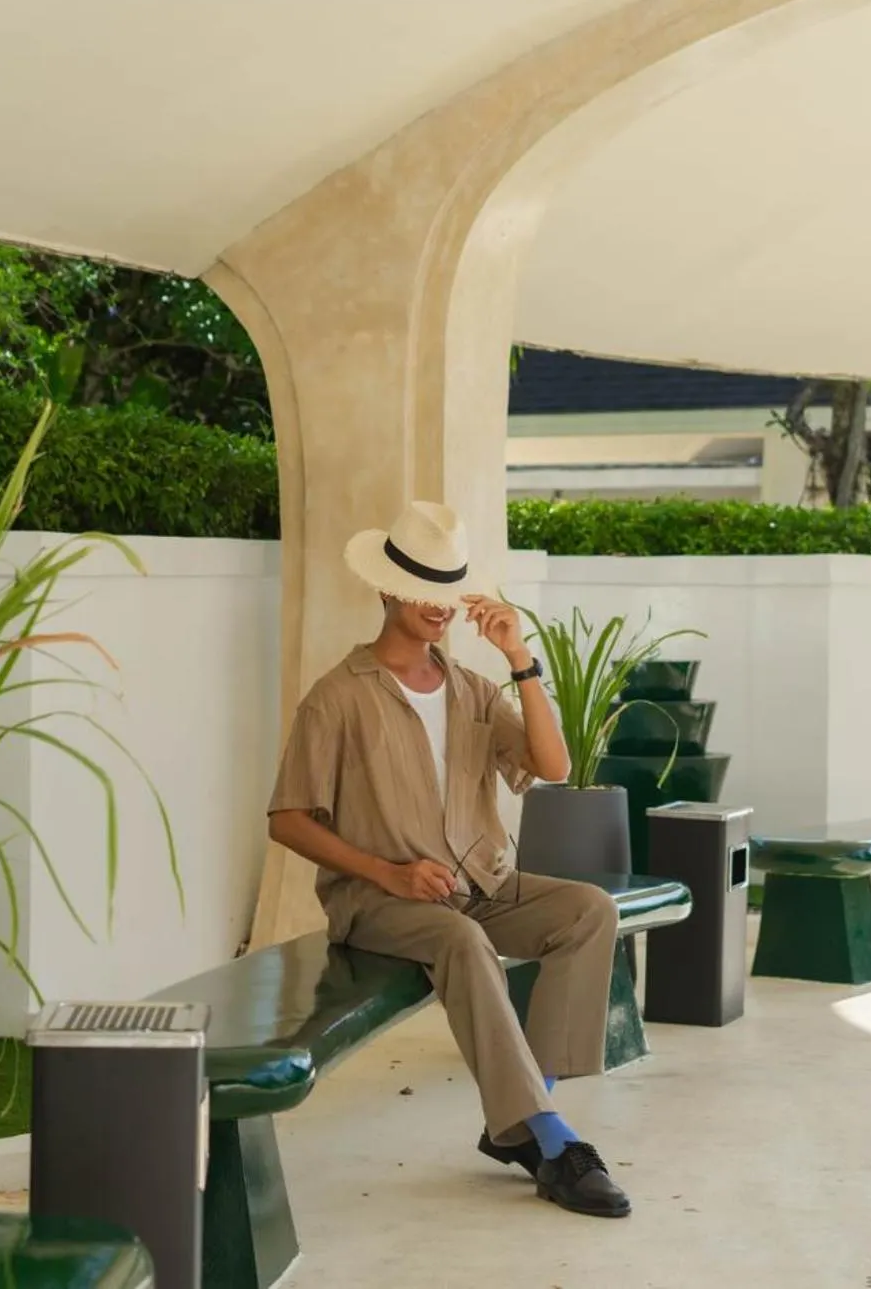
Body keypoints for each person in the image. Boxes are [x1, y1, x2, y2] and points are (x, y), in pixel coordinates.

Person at [266, 501, 632, 1218]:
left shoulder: (472, 689)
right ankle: (551, 1144)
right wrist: (387, 872)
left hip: (478, 882)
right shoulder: (337, 699)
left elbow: (551, 764)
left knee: (588, 910)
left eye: (449, 587)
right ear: (387, 589)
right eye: (424, 589)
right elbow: (287, 821)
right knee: (464, 941)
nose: (439, 605)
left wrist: (519, 658)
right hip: (379, 902)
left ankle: (532, 1114)